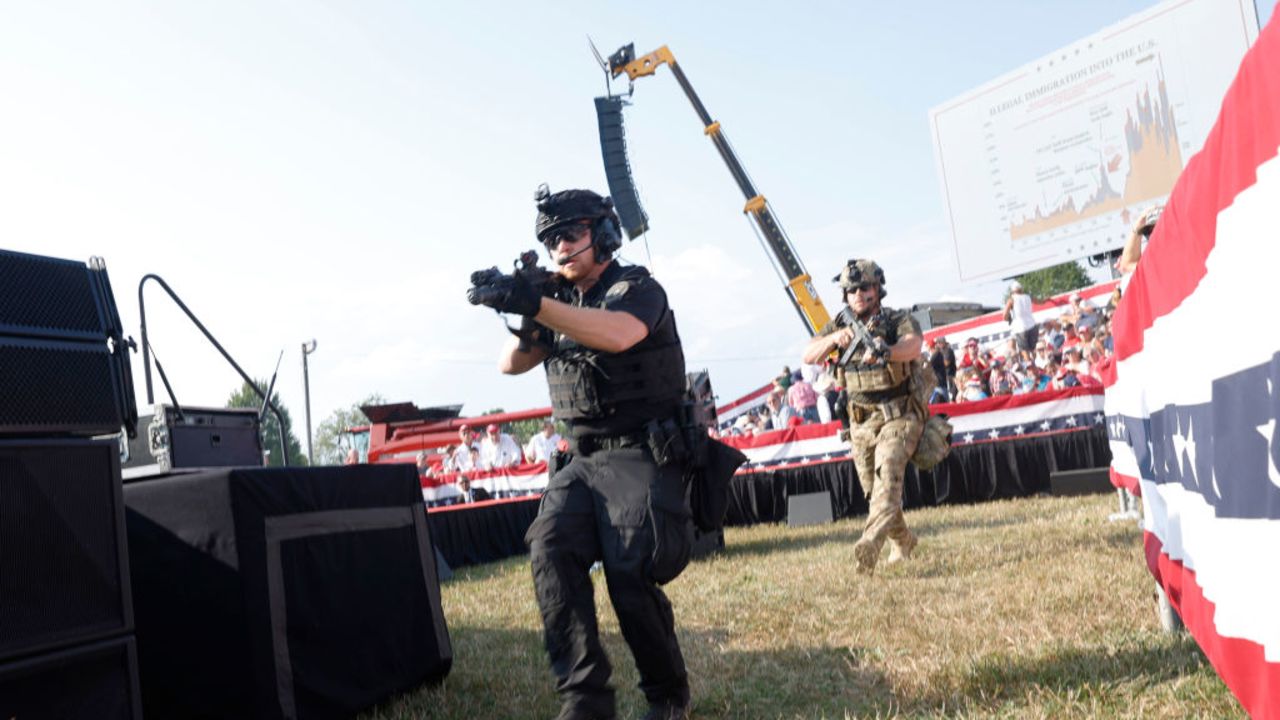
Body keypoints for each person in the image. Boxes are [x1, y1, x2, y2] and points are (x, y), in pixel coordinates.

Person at [477, 185, 693, 720]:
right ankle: (585, 700)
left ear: (603, 235)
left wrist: (539, 305)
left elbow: (619, 334)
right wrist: (527, 307)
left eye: (569, 235)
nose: (559, 248)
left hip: (642, 452)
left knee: (627, 572)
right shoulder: (558, 303)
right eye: (550, 240)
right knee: (548, 549)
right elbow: (511, 363)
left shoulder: (638, 286)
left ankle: (668, 695)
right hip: (582, 460)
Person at [802, 258, 925, 576]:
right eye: (851, 289)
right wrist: (832, 340)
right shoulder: (839, 328)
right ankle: (905, 541)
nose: (858, 293)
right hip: (860, 423)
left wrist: (888, 351)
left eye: (864, 287)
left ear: (877, 290)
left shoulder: (896, 319)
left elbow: (914, 346)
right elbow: (810, 356)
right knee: (875, 491)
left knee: (887, 484)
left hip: (898, 415)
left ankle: (869, 543)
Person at [1003, 280, 1039, 353]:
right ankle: (1034, 362)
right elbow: (1041, 302)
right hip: (1032, 325)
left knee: (1024, 351)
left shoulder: (1011, 300)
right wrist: (1047, 299)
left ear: (1012, 291)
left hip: (1020, 328)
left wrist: (1009, 319)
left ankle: (1030, 364)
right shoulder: (1028, 297)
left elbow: (1004, 316)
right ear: (1021, 289)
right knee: (1033, 349)